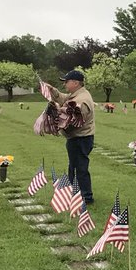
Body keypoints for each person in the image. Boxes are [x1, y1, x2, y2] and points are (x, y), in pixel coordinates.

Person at [44, 70, 97, 205]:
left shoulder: (82, 99)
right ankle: (75, 193)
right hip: (77, 138)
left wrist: (57, 113)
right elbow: (64, 98)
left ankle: (86, 197)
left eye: (67, 81)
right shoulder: (77, 95)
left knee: (80, 168)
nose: (65, 84)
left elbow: (74, 122)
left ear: (76, 83)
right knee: (74, 166)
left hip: (81, 138)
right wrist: (52, 91)